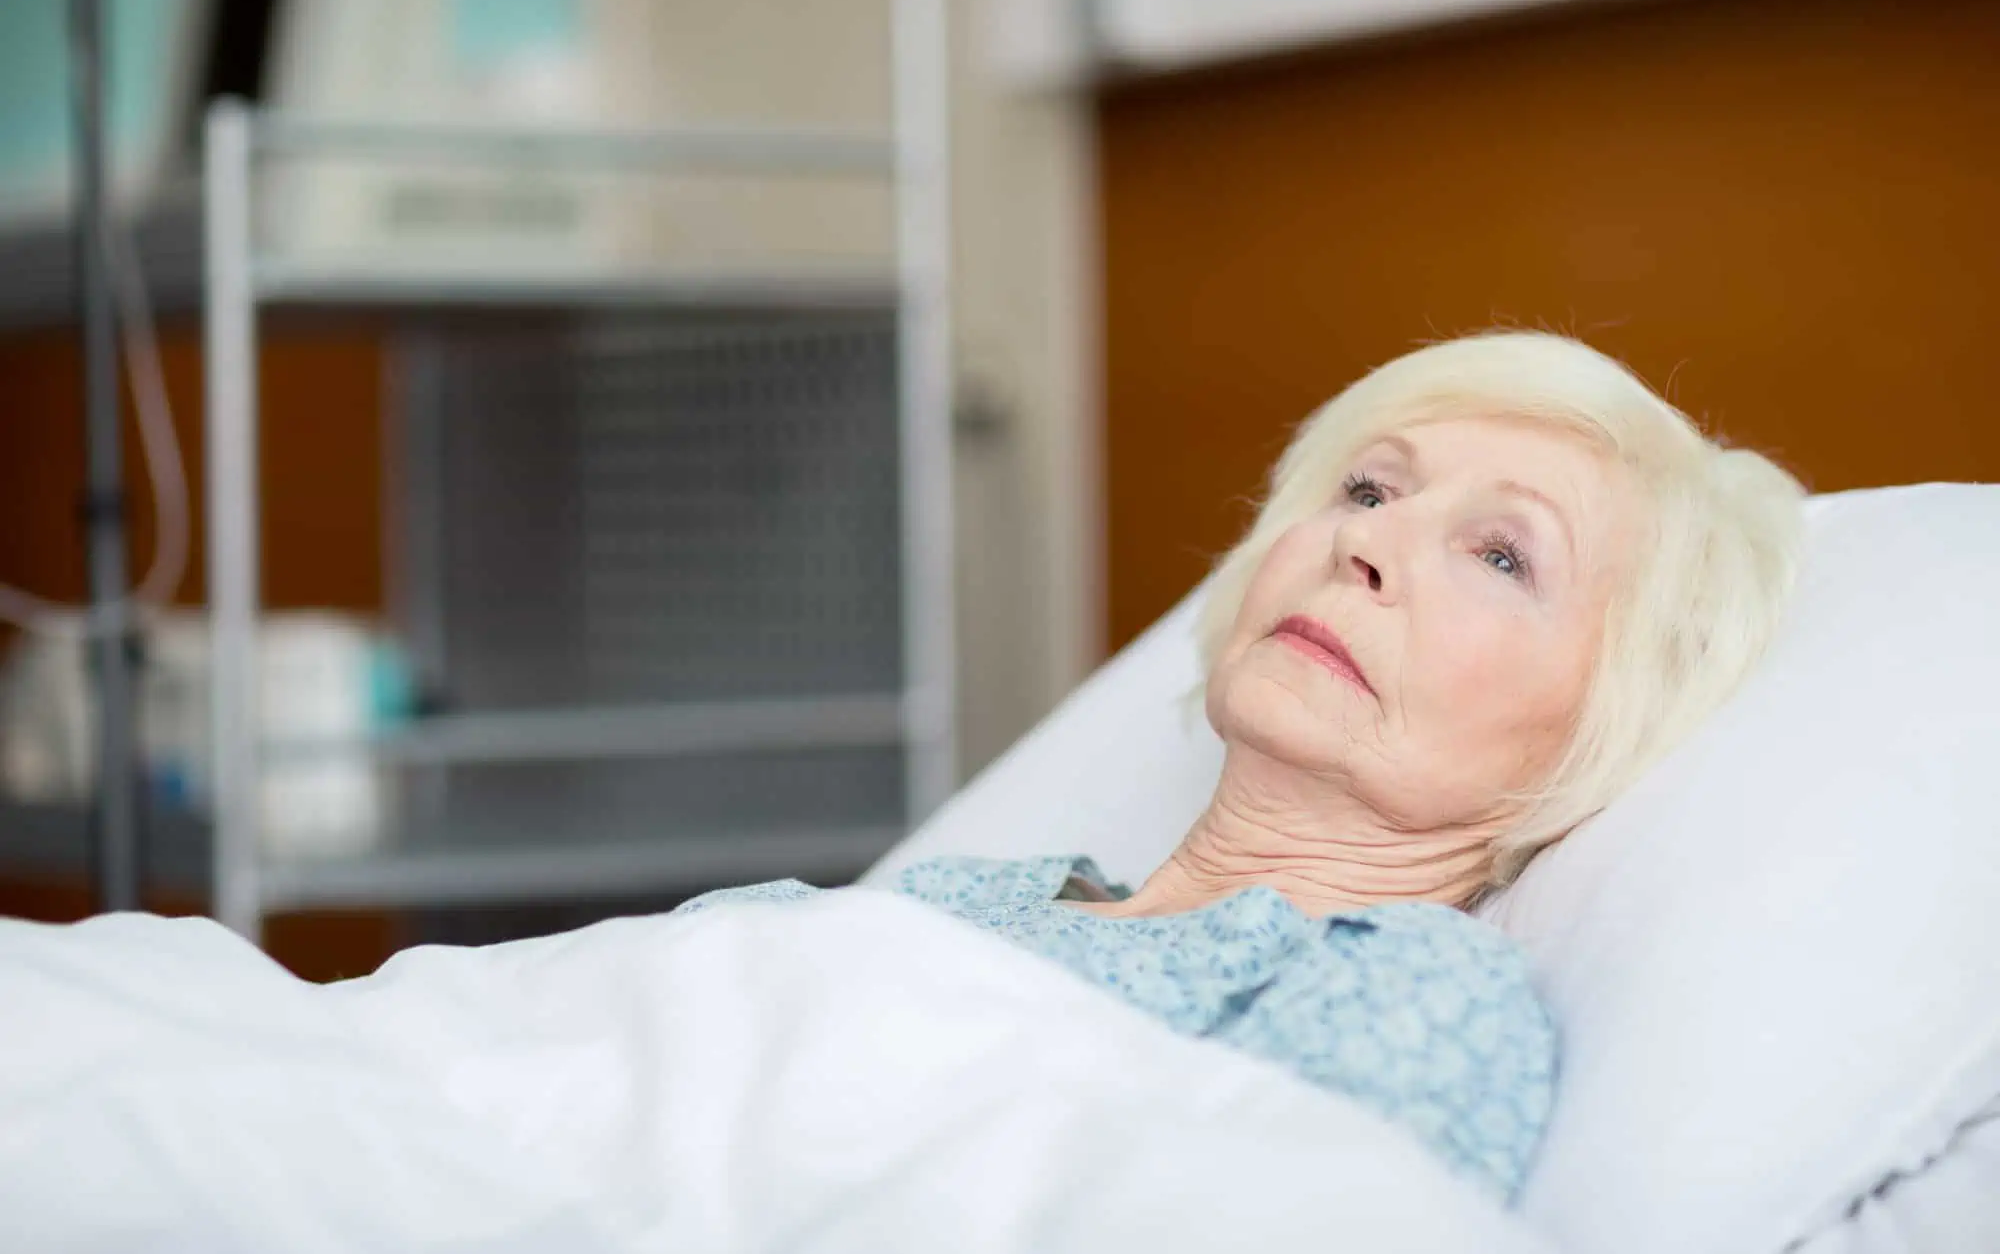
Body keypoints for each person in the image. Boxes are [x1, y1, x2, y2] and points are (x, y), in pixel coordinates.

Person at [680, 331, 1806, 1203]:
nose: (1361, 541)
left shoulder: (1407, 997)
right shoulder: (969, 895)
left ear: (1600, 720)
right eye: (1368, 489)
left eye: (1501, 553)